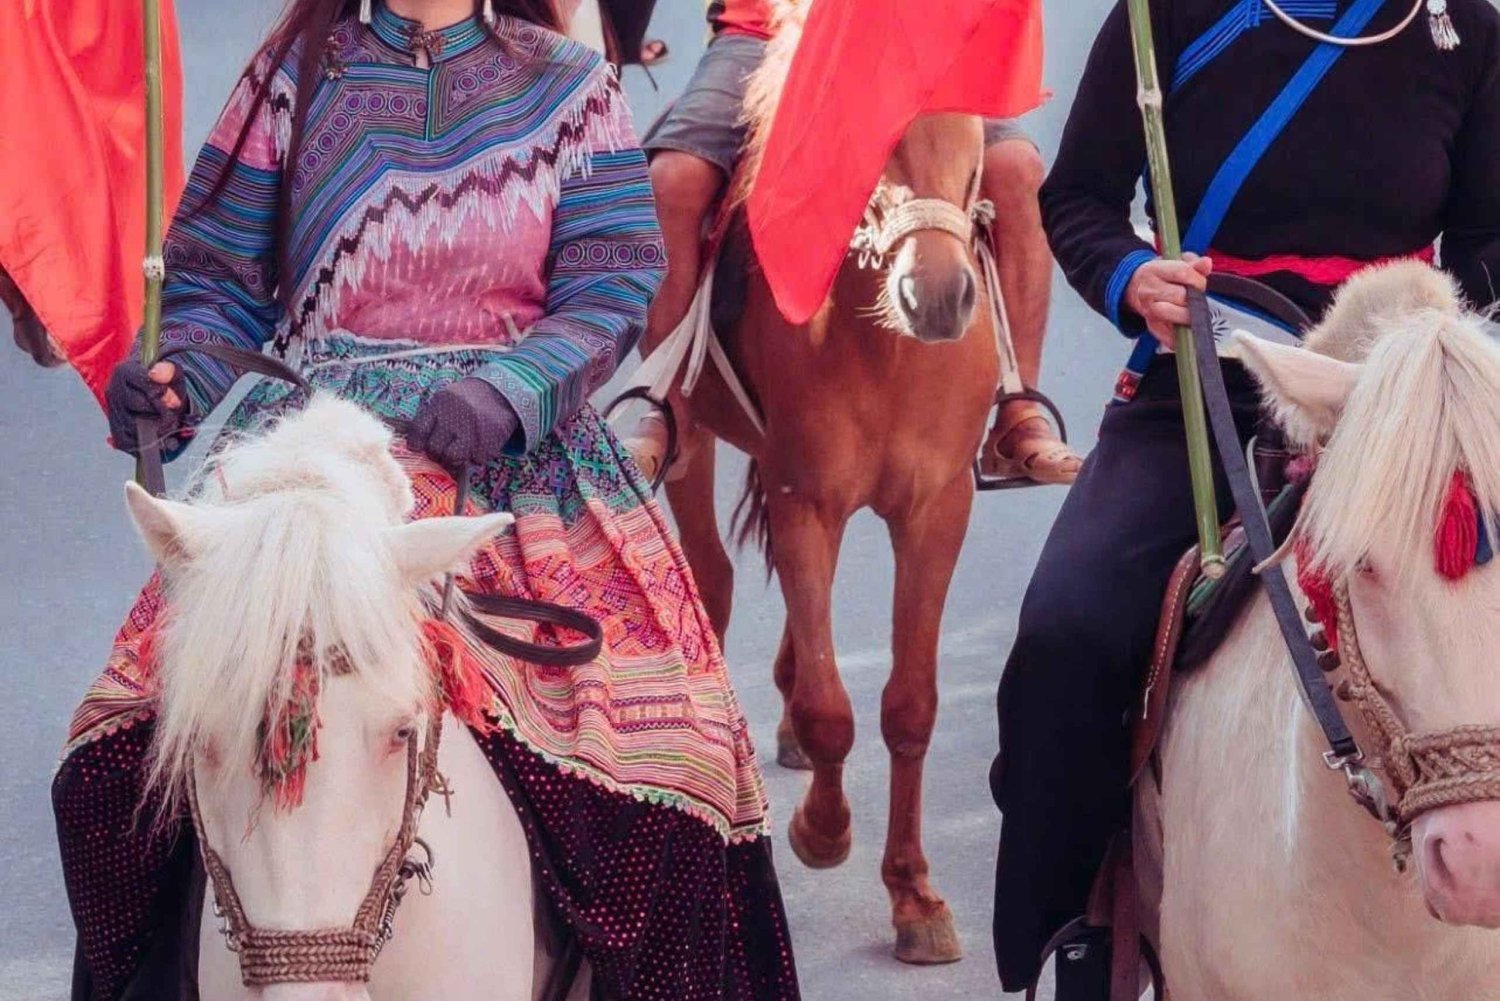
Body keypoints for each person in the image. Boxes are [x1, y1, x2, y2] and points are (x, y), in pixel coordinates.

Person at [52, 2, 798, 999]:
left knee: (681, 753)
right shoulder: (289, 77)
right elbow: (215, 282)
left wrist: (509, 391)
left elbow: (613, 280)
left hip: (523, 469)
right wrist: (176, 373)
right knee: (120, 741)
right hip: (311, 456)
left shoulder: (570, 87)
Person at [992, 0, 1500, 995]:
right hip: (1204, 376)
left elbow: (1490, 244)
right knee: (1069, 630)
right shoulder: (1166, 14)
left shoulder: (1466, 33)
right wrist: (1134, 274)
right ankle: (1073, 925)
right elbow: (1081, 198)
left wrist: (1425, 337)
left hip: (1389, 397)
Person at [627, 0, 1080, 486]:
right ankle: (669, 407)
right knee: (675, 179)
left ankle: (1018, 409)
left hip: (920, 32)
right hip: (766, 34)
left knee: (1018, 172)